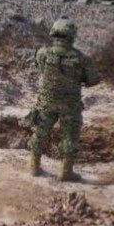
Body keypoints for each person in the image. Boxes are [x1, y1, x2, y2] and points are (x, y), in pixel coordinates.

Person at [27, 17, 101, 182]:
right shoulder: (81, 58)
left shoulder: (43, 53)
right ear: (72, 36)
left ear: (53, 34)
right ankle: (66, 172)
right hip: (70, 105)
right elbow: (93, 80)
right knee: (70, 136)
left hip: (46, 101)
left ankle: (34, 166)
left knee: (40, 132)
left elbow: (40, 67)